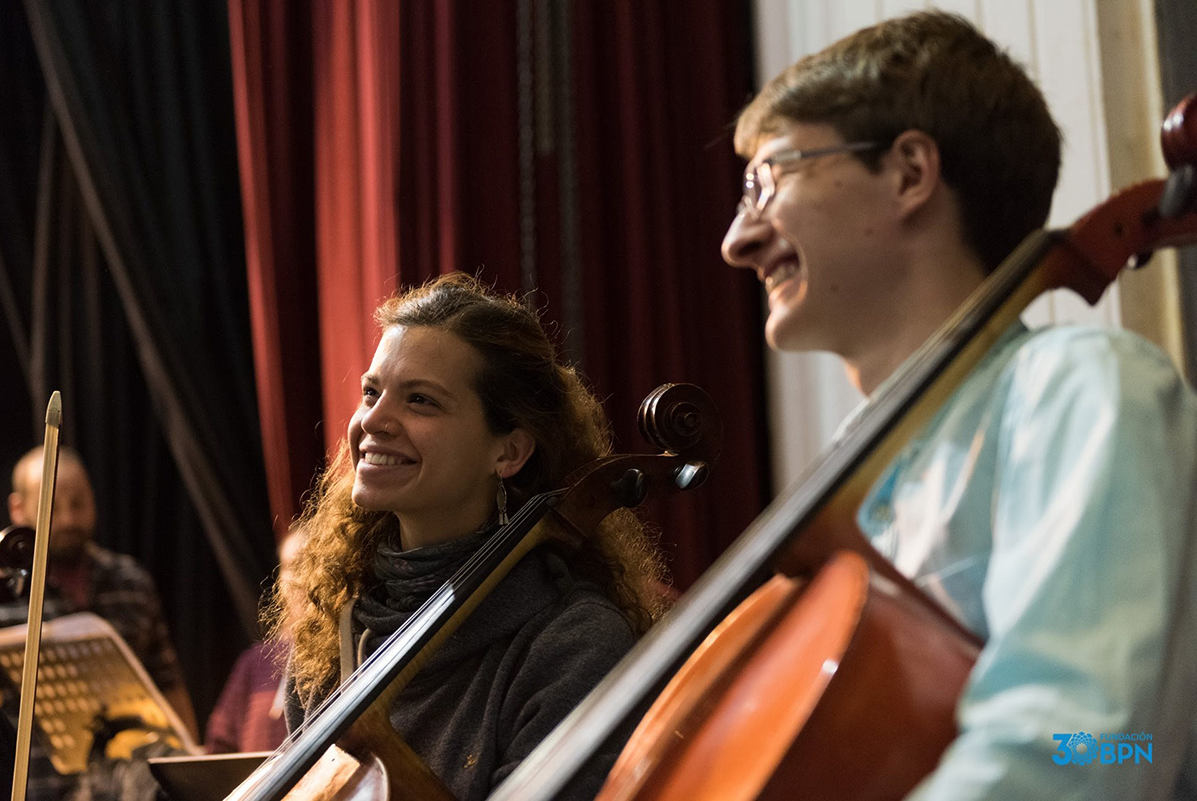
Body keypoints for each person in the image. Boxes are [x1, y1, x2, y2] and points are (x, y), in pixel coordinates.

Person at [720, 11, 1196, 800]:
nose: (738, 237)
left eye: (768, 180)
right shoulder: (853, 483)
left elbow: (1102, 741)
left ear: (910, 172)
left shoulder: (1077, 389)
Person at [274, 273, 666, 800]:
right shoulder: (337, 627)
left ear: (508, 453)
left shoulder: (570, 645)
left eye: (420, 401)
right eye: (372, 392)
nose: (373, 420)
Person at [4, 446, 199, 739]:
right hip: (34, 780)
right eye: (53, 508)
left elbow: (167, 683)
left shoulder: (131, 581)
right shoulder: (4, 591)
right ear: (19, 510)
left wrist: (189, 756)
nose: (69, 520)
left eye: (78, 503)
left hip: (128, 776)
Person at [205, 528, 305, 754]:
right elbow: (219, 747)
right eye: (291, 566)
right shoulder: (255, 662)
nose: (299, 579)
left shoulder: (347, 654)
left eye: (310, 564)